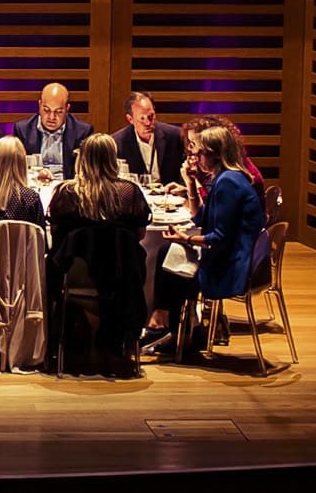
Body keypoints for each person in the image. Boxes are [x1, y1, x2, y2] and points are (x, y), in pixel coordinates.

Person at [152, 124, 265, 362]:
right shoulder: (224, 178)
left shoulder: (229, 182)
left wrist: (187, 238)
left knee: (173, 263)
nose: (196, 158)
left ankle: (176, 333)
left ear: (216, 153)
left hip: (232, 266)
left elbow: (220, 238)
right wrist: (191, 184)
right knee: (168, 252)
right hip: (228, 255)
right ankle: (178, 330)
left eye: (201, 153)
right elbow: (201, 218)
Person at [47, 133, 151, 378]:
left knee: (51, 262)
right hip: (121, 276)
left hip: (76, 278)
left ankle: (62, 336)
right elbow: (139, 235)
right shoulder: (130, 192)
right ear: (113, 159)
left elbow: (56, 235)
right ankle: (121, 338)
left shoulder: (66, 192)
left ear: (82, 159)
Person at [179, 114, 266, 215]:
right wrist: (190, 185)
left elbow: (210, 220)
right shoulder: (221, 173)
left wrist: (192, 184)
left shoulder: (230, 180)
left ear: (214, 148)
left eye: (194, 144)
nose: (191, 150)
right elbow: (204, 217)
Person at [12, 82, 93, 178]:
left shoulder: (82, 132)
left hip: (67, 188)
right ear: (39, 105)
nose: (51, 117)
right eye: (46, 110)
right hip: (34, 186)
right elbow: (16, 169)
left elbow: (85, 171)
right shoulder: (23, 130)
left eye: (58, 112)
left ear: (67, 109)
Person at [113, 91, 186, 187]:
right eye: (142, 119)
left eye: (151, 116)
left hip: (170, 197)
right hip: (137, 198)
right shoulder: (118, 142)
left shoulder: (174, 136)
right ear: (130, 119)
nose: (148, 123)